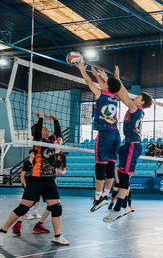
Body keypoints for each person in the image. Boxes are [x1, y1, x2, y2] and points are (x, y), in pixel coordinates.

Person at [0, 110, 69, 247]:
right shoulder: (37, 141)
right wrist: (41, 118)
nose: (47, 129)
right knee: (23, 208)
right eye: (44, 128)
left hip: (50, 180)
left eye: (46, 127)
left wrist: (55, 119)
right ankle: (2, 232)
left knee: (56, 208)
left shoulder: (51, 141)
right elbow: (37, 132)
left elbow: (58, 132)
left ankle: (57, 236)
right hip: (36, 180)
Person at [102, 67, 153, 222]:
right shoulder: (135, 108)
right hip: (128, 145)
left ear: (141, 102)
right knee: (122, 174)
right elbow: (123, 93)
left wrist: (111, 82)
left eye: (138, 97)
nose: (135, 97)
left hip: (132, 146)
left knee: (124, 176)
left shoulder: (135, 108)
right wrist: (117, 79)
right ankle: (123, 207)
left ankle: (118, 209)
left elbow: (121, 95)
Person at [78, 63, 121, 213]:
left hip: (105, 134)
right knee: (110, 165)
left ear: (107, 86)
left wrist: (82, 69)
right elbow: (110, 85)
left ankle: (97, 197)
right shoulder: (115, 96)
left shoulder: (101, 94)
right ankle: (105, 194)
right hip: (116, 134)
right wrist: (100, 76)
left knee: (100, 165)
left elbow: (88, 82)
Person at [19, 149, 41, 221]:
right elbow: (22, 175)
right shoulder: (26, 163)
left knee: (37, 197)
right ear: (29, 154)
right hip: (27, 183)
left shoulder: (37, 163)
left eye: (35, 153)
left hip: (35, 183)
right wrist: (25, 184)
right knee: (28, 199)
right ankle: (26, 213)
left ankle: (35, 212)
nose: (34, 155)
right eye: (32, 153)